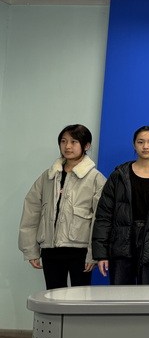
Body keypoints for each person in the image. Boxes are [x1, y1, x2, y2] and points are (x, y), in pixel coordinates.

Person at [18, 124, 106, 289]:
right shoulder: (48, 176)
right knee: (53, 296)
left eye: (74, 142)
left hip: (80, 250)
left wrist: (93, 254)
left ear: (86, 146)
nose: (67, 146)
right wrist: (30, 249)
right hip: (50, 249)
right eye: (63, 141)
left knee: (80, 298)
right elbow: (31, 211)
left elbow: (101, 219)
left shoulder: (96, 178)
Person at [91, 126, 149, 285]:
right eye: (140, 142)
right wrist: (101, 254)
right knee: (120, 296)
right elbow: (104, 216)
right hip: (121, 244)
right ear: (134, 144)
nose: (145, 146)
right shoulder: (118, 175)